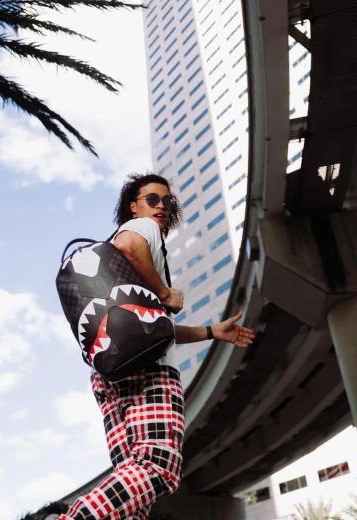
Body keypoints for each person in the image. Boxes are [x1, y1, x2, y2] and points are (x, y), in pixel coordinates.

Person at [58, 173, 255, 520]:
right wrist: (164, 293)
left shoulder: (118, 273)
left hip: (111, 371)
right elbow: (128, 244)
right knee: (157, 466)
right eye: (152, 199)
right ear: (133, 206)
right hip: (150, 370)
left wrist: (211, 331)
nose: (162, 206)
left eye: (168, 201)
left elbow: (156, 331)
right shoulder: (144, 229)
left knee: (133, 500)